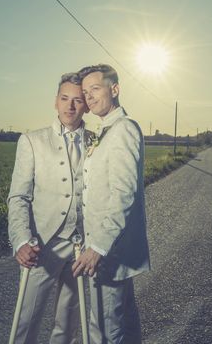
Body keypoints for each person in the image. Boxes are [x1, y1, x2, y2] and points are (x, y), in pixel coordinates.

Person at [7, 72, 92, 344]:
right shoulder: (32, 141)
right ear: (55, 101)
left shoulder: (97, 141)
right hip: (43, 244)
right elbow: (18, 197)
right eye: (64, 98)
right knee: (26, 320)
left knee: (68, 322)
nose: (70, 106)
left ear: (87, 105)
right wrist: (21, 240)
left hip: (82, 245)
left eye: (77, 100)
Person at [72, 64, 150, 344]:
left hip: (108, 249)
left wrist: (97, 247)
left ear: (114, 89)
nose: (89, 97)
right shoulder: (106, 129)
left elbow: (123, 193)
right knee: (125, 323)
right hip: (109, 247)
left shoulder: (123, 129)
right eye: (85, 92)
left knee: (103, 331)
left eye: (95, 89)